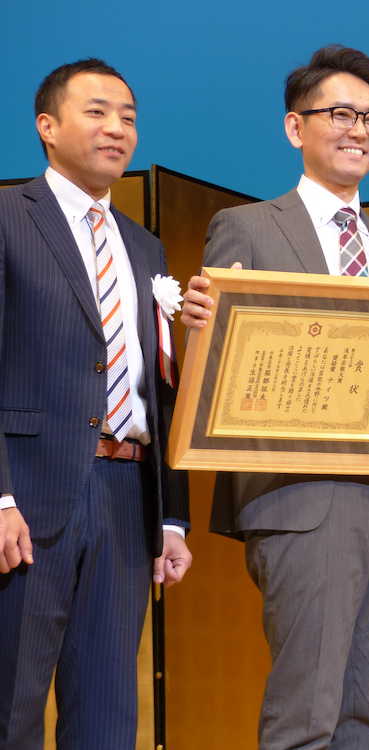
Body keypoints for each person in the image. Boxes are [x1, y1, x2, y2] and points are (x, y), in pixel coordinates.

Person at [180, 45, 369, 750]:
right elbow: (219, 364)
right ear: (295, 127)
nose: (360, 130)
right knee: (307, 715)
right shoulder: (248, 226)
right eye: (341, 114)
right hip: (300, 499)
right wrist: (197, 330)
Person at [0, 58, 191, 749]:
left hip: (126, 496)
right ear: (46, 127)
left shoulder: (145, 246)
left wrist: (171, 516)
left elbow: (160, 384)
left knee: (109, 714)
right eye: (97, 112)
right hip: (28, 496)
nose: (117, 128)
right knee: (12, 707)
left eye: (128, 118)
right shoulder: (7, 217)